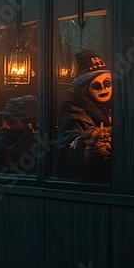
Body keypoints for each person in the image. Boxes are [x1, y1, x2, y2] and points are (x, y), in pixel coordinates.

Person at [55, 50, 112, 182]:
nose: (104, 89)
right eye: (97, 85)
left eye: (108, 83)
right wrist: (92, 142)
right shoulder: (73, 110)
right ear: (85, 87)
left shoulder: (117, 107)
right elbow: (67, 145)